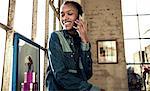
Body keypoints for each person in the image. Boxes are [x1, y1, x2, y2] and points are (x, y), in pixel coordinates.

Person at [46, 1, 104, 91]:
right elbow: (60, 74)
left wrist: (84, 41)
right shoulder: (55, 37)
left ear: (79, 17)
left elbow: (87, 74)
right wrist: (91, 89)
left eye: (69, 13)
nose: (65, 18)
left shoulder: (82, 42)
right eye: (62, 15)